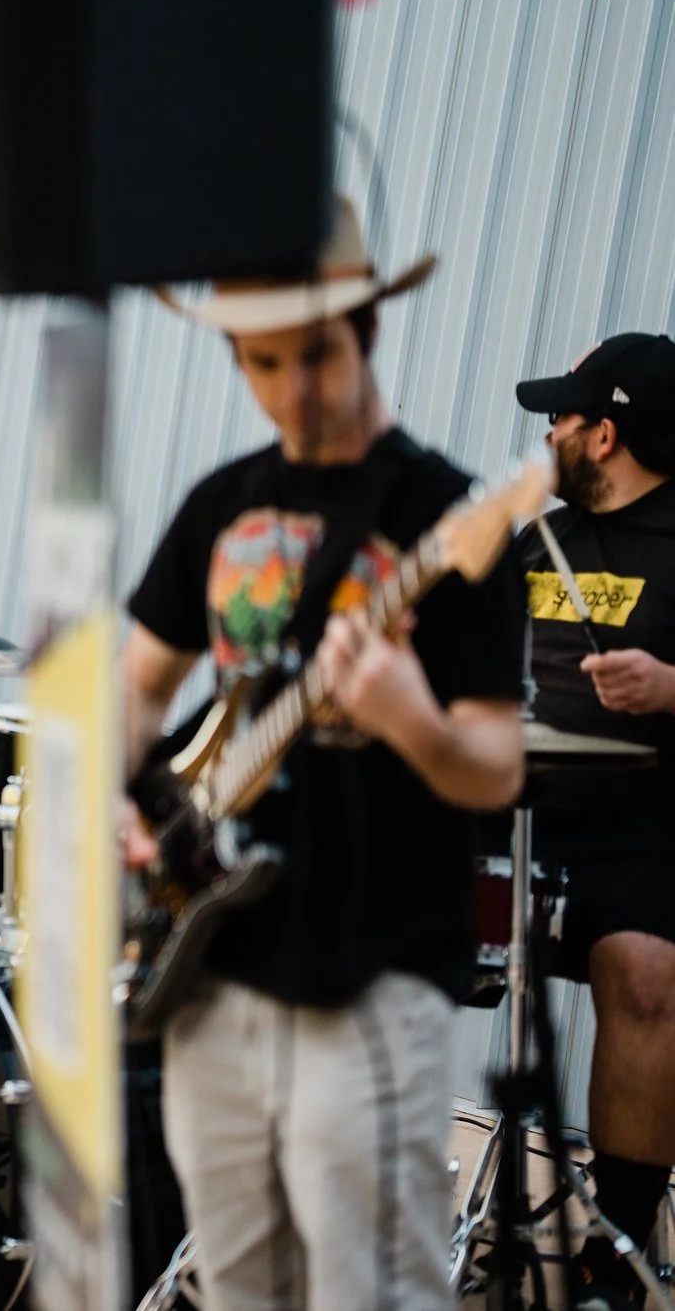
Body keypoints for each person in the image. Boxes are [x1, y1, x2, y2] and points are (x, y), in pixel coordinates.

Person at [124, 196, 525, 1311]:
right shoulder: (222, 504)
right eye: (259, 363)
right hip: (207, 963)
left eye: (312, 355)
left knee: (370, 1287)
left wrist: (409, 714)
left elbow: (494, 766)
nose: (289, 390)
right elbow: (135, 688)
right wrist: (112, 802)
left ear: (367, 330)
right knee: (238, 1278)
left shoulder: (446, 516)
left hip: (370, 971)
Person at [512, 333, 675, 1310]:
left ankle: (615, 1247)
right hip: (509, 817)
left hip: (640, 826)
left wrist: (670, 688)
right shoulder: (534, 540)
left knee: (647, 975)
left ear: (603, 434)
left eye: (560, 420)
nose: (548, 435)